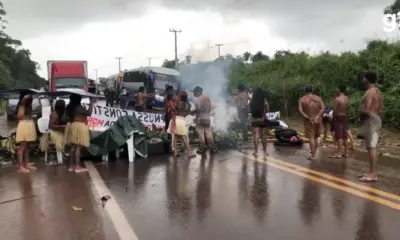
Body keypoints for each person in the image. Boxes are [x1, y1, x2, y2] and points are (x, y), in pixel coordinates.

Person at [358, 71, 382, 182]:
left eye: (363, 78)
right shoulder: (377, 91)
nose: (362, 80)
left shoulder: (369, 92)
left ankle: (373, 174)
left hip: (370, 120)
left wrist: (361, 117)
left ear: (367, 79)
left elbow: (366, 109)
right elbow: (380, 108)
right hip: (376, 119)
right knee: (370, 147)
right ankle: (371, 172)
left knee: (371, 147)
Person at [65, 94, 95, 173]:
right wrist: (91, 103)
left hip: (73, 125)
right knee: (78, 147)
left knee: (73, 147)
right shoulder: (78, 107)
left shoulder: (70, 107)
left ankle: (71, 166)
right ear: (78, 99)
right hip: (80, 125)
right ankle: (78, 167)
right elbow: (89, 113)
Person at [298, 85, 325, 161]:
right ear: (312, 90)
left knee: (311, 137)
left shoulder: (302, 99)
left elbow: (300, 110)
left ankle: (313, 156)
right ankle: (314, 153)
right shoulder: (318, 98)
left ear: (305, 91)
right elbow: (323, 108)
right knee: (316, 136)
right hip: (318, 119)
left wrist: (307, 117)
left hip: (309, 120)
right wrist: (317, 116)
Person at [191, 86, 217, 154]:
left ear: (198, 92)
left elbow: (199, 109)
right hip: (207, 118)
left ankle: (202, 149)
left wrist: (193, 111)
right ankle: (212, 149)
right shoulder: (207, 97)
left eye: (194, 92)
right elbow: (209, 108)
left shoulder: (198, 99)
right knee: (209, 133)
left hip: (200, 118)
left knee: (201, 134)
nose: (193, 93)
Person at [15, 93, 37, 172]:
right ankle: (20, 165)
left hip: (30, 125)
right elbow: (19, 116)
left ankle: (26, 163)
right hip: (24, 125)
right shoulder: (21, 105)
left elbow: (29, 115)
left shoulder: (29, 105)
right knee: (23, 146)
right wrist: (23, 100)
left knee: (28, 147)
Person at [171, 91, 196, 158]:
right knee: (184, 136)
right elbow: (188, 112)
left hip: (176, 119)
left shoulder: (178, 102)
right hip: (182, 120)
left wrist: (175, 111)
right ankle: (189, 153)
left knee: (176, 136)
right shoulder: (188, 104)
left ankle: (176, 152)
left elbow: (172, 107)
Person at [329, 84, 349, 158]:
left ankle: (339, 153)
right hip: (344, 116)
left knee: (339, 136)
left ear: (339, 90)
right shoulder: (346, 98)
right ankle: (346, 153)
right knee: (344, 135)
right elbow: (347, 108)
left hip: (338, 117)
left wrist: (333, 118)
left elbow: (334, 110)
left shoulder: (337, 99)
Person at [249, 88, 269, 158]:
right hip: (263, 119)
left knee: (256, 135)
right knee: (264, 136)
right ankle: (264, 152)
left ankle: (256, 152)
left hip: (254, 119)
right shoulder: (264, 100)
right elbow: (267, 110)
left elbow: (250, 110)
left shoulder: (252, 101)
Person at [49, 100, 67, 164]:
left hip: (61, 132)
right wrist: (62, 126)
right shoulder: (54, 114)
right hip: (55, 133)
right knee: (59, 145)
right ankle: (59, 160)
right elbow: (50, 126)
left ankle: (62, 155)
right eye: (64, 105)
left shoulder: (63, 112)